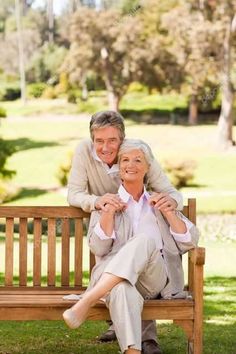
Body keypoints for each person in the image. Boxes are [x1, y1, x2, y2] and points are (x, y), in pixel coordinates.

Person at [63, 139, 199, 354]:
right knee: (121, 289)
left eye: (138, 160)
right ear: (119, 168)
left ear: (147, 168)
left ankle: (86, 301)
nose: (131, 164)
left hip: (154, 281)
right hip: (115, 283)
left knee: (144, 241)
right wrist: (107, 213)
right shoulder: (106, 203)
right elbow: (98, 248)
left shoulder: (160, 202)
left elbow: (190, 241)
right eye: (125, 159)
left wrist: (170, 213)